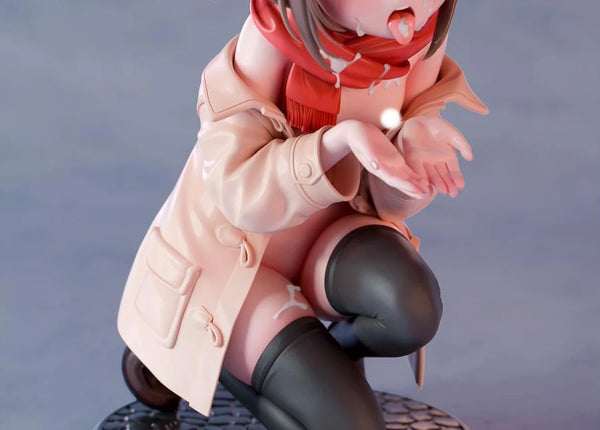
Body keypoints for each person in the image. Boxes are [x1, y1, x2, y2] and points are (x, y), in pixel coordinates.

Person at [117, 0, 488, 428]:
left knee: (411, 309)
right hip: (240, 262)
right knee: (351, 425)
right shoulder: (274, 34)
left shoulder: (418, 40)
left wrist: (411, 151)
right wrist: (334, 144)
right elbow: (236, 191)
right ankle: (220, 358)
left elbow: (384, 204)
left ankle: (310, 367)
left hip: (329, 237)